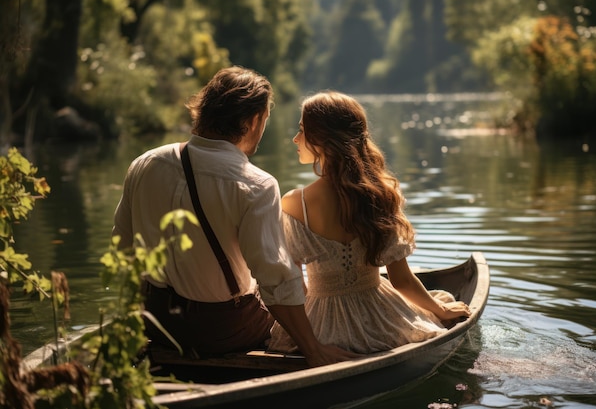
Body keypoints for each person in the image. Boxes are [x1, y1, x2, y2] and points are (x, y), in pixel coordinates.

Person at [112, 67, 358, 367]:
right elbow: (277, 280)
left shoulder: (144, 163)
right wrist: (314, 348)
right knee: (291, 296)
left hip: (157, 323)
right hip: (222, 330)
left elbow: (122, 247)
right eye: (265, 121)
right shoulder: (256, 184)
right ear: (252, 120)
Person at [268, 91, 471, 354]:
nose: (295, 139)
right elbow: (402, 282)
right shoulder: (380, 196)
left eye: (302, 131)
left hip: (321, 327)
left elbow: (297, 286)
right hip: (380, 317)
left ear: (322, 139)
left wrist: (306, 336)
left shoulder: (295, 203)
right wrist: (441, 310)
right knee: (439, 303)